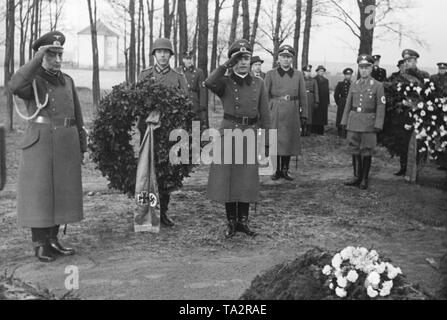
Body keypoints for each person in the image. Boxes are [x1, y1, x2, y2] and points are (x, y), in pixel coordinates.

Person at [8, 31, 87, 262]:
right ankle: (40, 244)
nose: (58, 60)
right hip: (41, 143)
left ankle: (53, 240)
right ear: (41, 55)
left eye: (59, 54)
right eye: (51, 54)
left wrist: (81, 145)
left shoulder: (67, 80)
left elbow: (77, 115)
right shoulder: (33, 79)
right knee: (40, 195)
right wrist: (36, 59)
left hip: (66, 142)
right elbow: (14, 85)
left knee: (62, 193)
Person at [205, 39, 271, 238]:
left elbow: (265, 114)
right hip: (229, 132)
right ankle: (231, 221)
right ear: (233, 61)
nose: (243, 62)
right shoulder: (225, 82)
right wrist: (226, 64)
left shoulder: (259, 83)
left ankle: (243, 221)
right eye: (239, 58)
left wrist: (267, 142)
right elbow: (209, 82)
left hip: (250, 132)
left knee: (246, 179)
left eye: (247, 58)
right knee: (228, 178)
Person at [137, 37, 188, 227]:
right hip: (149, 132)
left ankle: (163, 211)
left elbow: (185, 104)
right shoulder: (144, 75)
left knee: (167, 172)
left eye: (166, 52)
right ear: (154, 55)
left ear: (171, 55)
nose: (163, 55)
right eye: (159, 52)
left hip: (170, 133)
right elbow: (138, 103)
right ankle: (147, 211)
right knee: (147, 171)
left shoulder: (178, 77)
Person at [340, 54, 386, 190]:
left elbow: (381, 106)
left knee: (366, 151)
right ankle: (356, 176)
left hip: (368, 123)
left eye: (367, 67)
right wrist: (344, 121)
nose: (364, 70)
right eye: (361, 67)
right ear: (358, 69)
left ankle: (364, 178)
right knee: (354, 149)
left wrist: (378, 124)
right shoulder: (354, 84)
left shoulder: (378, 86)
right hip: (354, 122)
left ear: (371, 68)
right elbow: (348, 105)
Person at [264, 45, 308, 181]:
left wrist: (304, 114)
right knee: (275, 140)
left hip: (292, 110)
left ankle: (285, 169)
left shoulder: (298, 74)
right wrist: (264, 113)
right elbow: (265, 95)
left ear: (292, 59)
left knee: (289, 140)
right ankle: (276, 170)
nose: (285, 59)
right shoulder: (271, 74)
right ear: (278, 58)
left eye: (288, 57)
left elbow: (303, 95)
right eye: (283, 56)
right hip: (275, 110)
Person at [175, 50, 208, 127]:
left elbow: (202, 91)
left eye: (191, 58)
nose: (189, 61)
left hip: (194, 102)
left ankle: (195, 139)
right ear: (183, 60)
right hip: (181, 102)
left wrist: (202, 106)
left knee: (195, 126)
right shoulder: (178, 71)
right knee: (182, 126)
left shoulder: (198, 72)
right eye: (187, 59)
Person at [430, 62, 447, 170]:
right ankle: (439, 161)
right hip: (436, 110)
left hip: (446, 110)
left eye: (443, 69)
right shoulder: (433, 78)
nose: (441, 70)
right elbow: (430, 92)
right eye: (440, 68)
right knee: (437, 135)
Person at [334, 68, 353, 138]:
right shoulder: (340, 84)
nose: (348, 76)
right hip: (342, 102)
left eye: (350, 75)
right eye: (347, 75)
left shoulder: (353, 84)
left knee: (349, 117)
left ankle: (347, 132)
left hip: (350, 103)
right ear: (344, 75)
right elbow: (336, 95)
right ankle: (340, 132)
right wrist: (339, 102)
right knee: (340, 117)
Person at [312, 65, 329, 135]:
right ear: (317, 71)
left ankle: (321, 131)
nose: (321, 72)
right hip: (317, 100)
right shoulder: (314, 79)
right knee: (316, 116)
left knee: (322, 117)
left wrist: (328, 101)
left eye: (322, 71)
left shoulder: (326, 80)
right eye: (320, 71)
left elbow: (327, 91)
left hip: (324, 101)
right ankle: (314, 130)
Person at [302, 65, 319, 137]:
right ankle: (302, 130)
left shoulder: (314, 81)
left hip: (310, 98)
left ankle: (308, 130)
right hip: (302, 98)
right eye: (306, 71)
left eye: (309, 71)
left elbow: (316, 91)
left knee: (309, 115)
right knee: (302, 114)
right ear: (303, 72)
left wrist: (316, 101)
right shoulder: (301, 80)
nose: (308, 73)